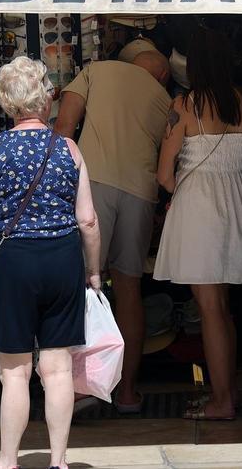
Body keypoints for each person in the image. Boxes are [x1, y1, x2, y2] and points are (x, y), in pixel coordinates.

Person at [0, 56, 101, 469]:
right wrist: (94, 272)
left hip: (13, 261)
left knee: (14, 370)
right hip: (62, 258)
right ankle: (59, 462)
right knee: (57, 369)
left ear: (6, 103)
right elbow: (87, 219)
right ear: (47, 99)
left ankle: (8, 461)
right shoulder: (69, 148)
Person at [154, 26, 242, 422]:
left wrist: (174, 193)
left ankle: (222, 401)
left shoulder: (185, 105)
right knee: (223, 309)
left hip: (198, 204)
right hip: (236, 201)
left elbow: (165, 174)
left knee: (210, 309)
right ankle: (226, 390)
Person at [54, 51, 171, 413]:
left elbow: (64, 129)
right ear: (163, 74)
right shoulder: (167, 101)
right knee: (128, 287)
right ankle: (128, 392)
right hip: (140, 191)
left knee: (79, 285)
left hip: (95, 183)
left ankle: (74, 389)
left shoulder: (96, 72)